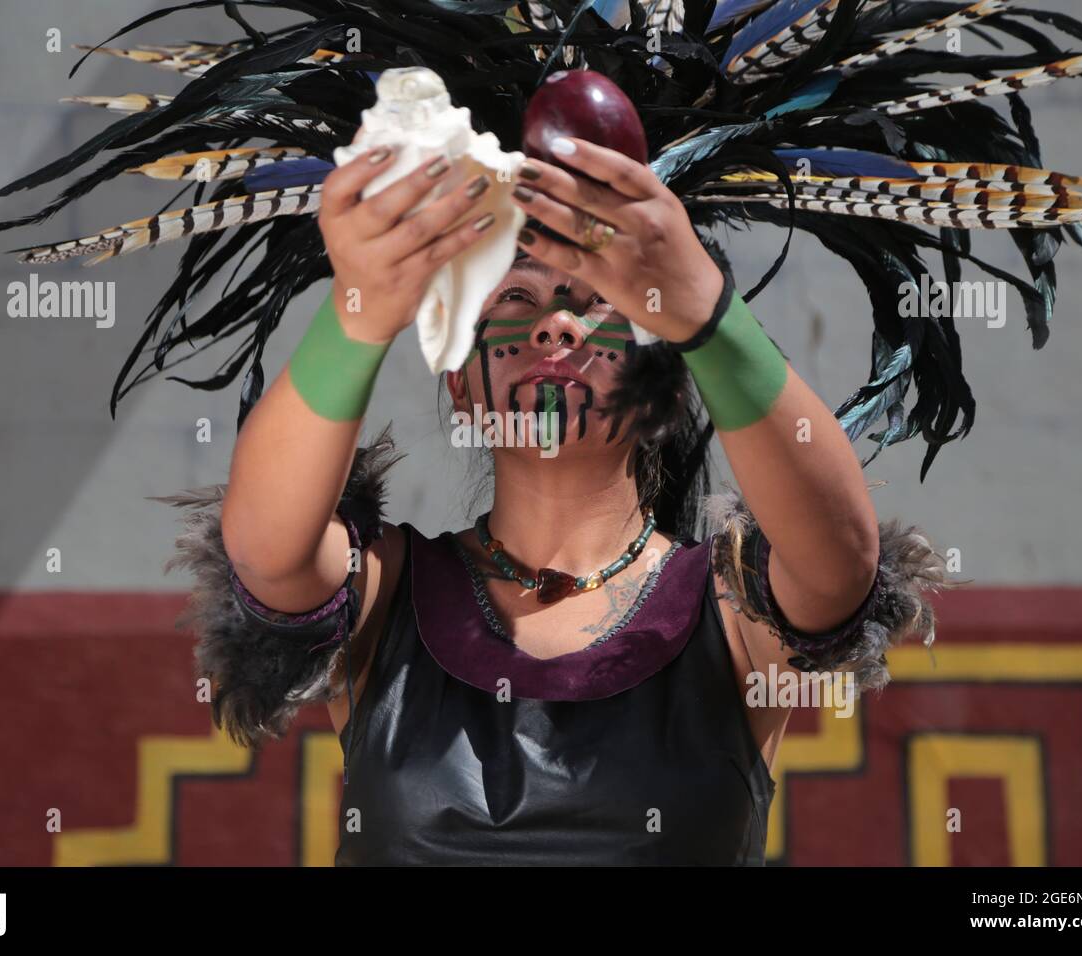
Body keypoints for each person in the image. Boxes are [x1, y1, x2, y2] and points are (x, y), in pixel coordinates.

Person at [165, 136, 946, 864]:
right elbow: (267, 553)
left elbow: (840, 561)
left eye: (596, 300)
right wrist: (357, 309)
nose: (557, 327)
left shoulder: (732, 615)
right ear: (462, 390)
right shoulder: (385, 594)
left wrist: (707, 312)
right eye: (513, 300)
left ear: (667, 392)